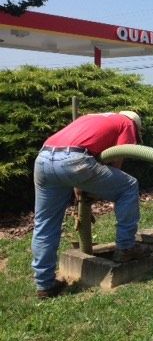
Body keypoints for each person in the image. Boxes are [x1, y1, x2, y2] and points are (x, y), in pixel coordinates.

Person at [31, 111, 146, 298]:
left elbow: (76, 146)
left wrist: (84, 184)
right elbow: (117, 160)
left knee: (45, 223)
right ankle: (126, 248)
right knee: (128, 186)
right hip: (74, 161)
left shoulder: (91, 117)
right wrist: (97, 187)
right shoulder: (127, 123)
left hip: (44, 159)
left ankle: (45, 285)